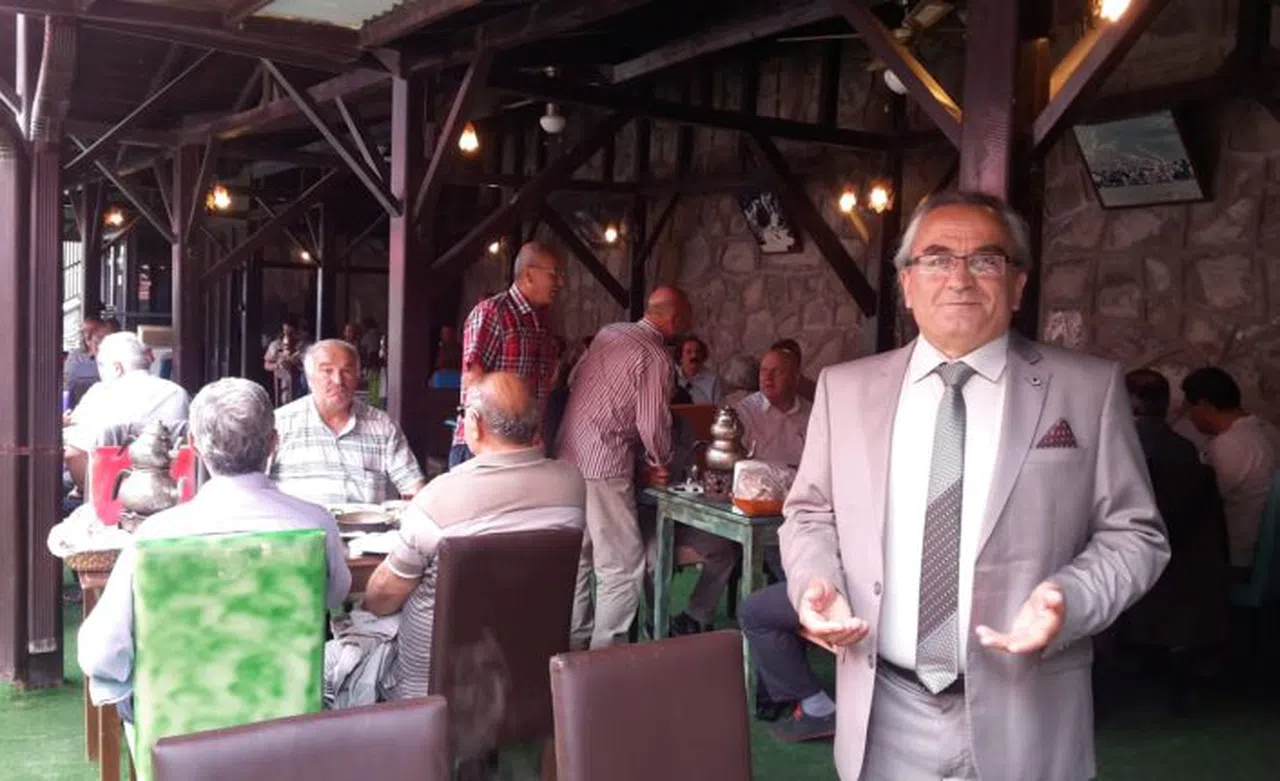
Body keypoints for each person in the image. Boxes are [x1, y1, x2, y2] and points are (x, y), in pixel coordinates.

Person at [782, 191, 1169, 781]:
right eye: (937, 259)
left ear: (1017, 285)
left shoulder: (1087, 391)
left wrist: (1072, 598)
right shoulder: (844, 389)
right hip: (883, 713)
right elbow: (810, 513)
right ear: (907, 284)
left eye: (986, 260)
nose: (960, 278)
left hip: (1029, 711)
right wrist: (817, 580)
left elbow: (1135, 534)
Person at [78, 378, 351, 720]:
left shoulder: (155, 535)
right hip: (287, 721)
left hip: (179, 730)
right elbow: (334, 596)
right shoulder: (317, 523)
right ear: (274, 443)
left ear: (193, 444)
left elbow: (101, 653)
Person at [356, 372, 586, 701]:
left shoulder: (439, 499)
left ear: (474, 424)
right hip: (529, 686)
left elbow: (382, 598)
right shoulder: (572, 485)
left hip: (430, 694)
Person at [558, 286, 692, 649]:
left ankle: (573, 649)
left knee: (579, 559)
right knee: (620, 568)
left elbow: (572, 381)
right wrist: (659, 462)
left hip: (567, 455)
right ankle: (604, 660)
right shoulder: (656, 356)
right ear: (675, 318)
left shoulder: (608, 333)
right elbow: (652, 422)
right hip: (605, 461)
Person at [668, 345, 812, 637]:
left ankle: (792, 618)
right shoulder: (745, 412)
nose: (766, 378)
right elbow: (731, 467)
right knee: (763, 549)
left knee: (804, 550)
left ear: (795, 378)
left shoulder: (812, 414)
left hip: (797, 508)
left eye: (776, 372)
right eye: (763, 371)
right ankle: (770, 618)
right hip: (751, 508)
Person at [271, 339, 426, 506]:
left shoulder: (382, 425)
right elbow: (255, 487)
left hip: (366, 523)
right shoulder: (280, 423)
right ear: (309, 379)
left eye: (347, 371)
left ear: (358, 376)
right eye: (327, 371)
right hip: (300, 522)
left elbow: (413, 486)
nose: (338, 380)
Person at [450, 242, 562, 468]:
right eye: (553, 274)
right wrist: (485, 439)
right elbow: (473, 379)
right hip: (486, 451)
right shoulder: (493, 312)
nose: (560, 282)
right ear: (528, 275)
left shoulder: (542, 322)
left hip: (524, 450)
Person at [63, 332, 190, 492]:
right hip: (170, 490)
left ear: (117, 368)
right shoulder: (178, 392)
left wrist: (86, 492)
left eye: (101, 366)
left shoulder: (101, 394)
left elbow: (74, 455)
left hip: (111, 493)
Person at [1180, 366, 1277, 571]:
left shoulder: (1229, 445)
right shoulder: (1270, 431)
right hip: (1269, 560)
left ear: (1204, 405)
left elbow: (1198, 503)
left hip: (1238, 559)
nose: (1189, 417)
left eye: (1189, 408)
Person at [264, 315, 309, 406]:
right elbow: (266, 365)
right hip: (282, 391)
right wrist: (278, 365)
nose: (287, 338)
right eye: (284, 333)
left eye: (291, 334)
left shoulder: (306, 347)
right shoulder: (275, 346)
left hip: (301, 391)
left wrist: (298, 362)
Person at [675, 336, 722, 405]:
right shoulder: (671, 377)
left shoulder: (713, 379)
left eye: (698, 351)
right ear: (680, 357)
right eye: (689, 352)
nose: (694, 356)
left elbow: (718, 407)